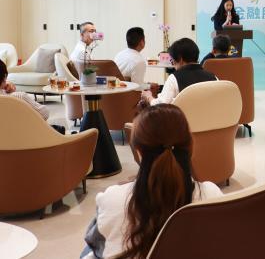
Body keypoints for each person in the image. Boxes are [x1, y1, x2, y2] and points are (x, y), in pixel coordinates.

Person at [81, 104, 223, 259]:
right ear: (191, 147)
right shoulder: (212, 196)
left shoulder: (112, 199)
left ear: (139, 152)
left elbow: (97, 245)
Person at [141, 38, 216, 105]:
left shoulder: (174, 78)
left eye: (172, 60)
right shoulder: (213, 77)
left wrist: (149, 97)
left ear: (180, 59)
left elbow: (161, 105)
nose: (173, 64)